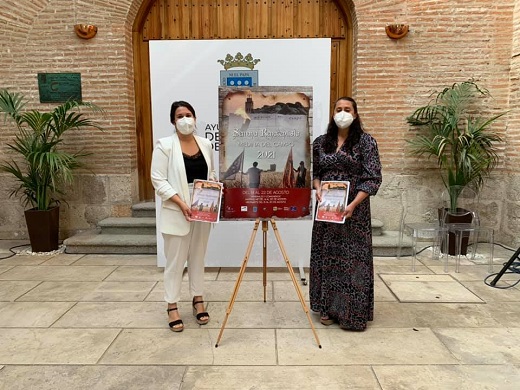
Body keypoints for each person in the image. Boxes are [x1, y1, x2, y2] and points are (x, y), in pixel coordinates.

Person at [310, 96, 382, 331]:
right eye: (338, 109)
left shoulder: (366, 142)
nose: (342, 113)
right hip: (327, 210)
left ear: (355, 114)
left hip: (355, 212)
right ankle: (328, 308)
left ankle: (352, 312)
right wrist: (318, 188)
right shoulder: (321, 143)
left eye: (347, 109)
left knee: (353, 261)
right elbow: (315, 173)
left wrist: (353, 204)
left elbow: (373, 178)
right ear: (333, 114)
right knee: (327, 256)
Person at [151, 100, 216, 332]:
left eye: (189, 114)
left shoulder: (206, 144)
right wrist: (180, 202)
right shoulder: (165, 145)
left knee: (198, 256)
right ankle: (172, 305)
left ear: (195, 118)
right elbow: (158, 180)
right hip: (177, 206)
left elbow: (212, 174)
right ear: (173, 121)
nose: (185, 119)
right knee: (175, 261)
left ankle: (198, 299)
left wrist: (213, 195)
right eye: (180, 116)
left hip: (202, 206)